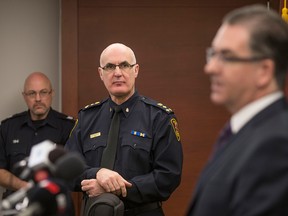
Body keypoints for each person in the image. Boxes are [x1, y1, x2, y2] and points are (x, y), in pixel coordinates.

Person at [186, 4, 288, 216]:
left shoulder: (276, 145)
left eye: (227, 56)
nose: (210, 67)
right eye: (212, 54)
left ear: (264, 71)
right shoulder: (244, 131)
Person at [65, 43, 183, 215]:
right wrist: (97, 173)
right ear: (101, 73)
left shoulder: (159, 117)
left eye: (125, 65)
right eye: (110, 67)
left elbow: (168, 177)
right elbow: (68, 170)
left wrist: (117, 189)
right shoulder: (87, 118)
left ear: (136, 70)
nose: (117, 73)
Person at [0, 72, 76, 198]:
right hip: (17, 203)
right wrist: (26, 187)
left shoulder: (69, 127)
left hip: (54, 204)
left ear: (52, 93)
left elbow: (76, 170)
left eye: (43, 92)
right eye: (32, 93)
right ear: (24, 96)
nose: (38, 98)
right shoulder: (8, 127)